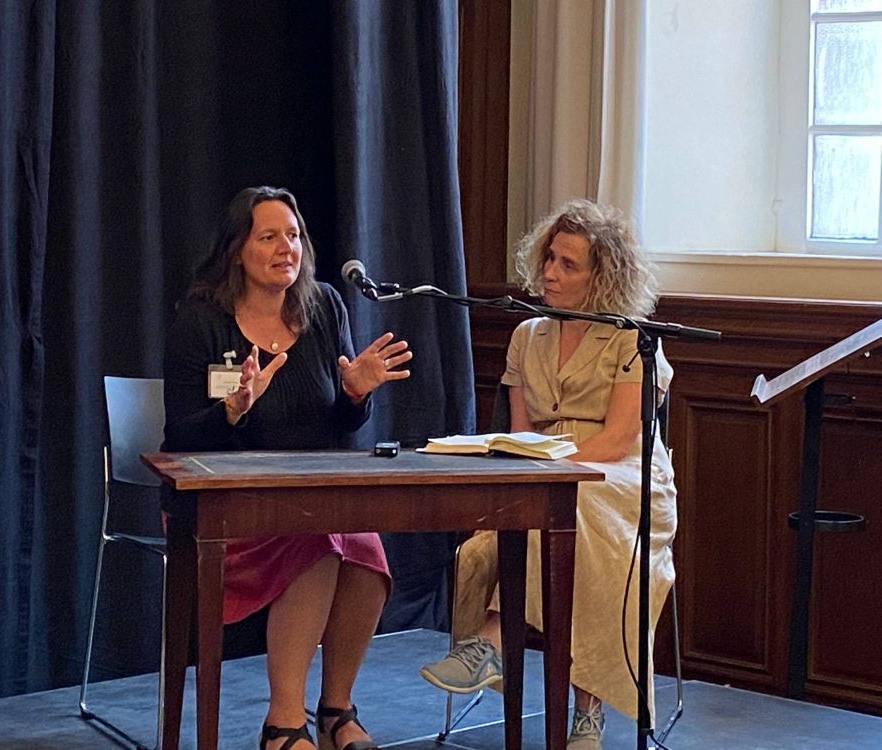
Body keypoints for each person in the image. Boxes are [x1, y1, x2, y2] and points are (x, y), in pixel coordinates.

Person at [418, 199, 676, 750]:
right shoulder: (527, 335)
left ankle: (507, 652)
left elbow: (619, 438)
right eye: (550, 259)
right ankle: (568, 702)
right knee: (547, 511)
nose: (551, 273)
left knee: (572, 514)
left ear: (601, 277)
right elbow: (521, 433)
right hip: (545, 466)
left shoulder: (632, 339)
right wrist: (534, 467)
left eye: (568, 264)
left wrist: (553, 468)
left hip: (621, 475)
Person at [163, 186, 412, 750]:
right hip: (225, 508)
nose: (286, 248)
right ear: (237, 250)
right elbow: (179, 438)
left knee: (366, 553)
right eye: (269, 236)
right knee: (316, 544)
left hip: (310, 496)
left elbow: (341, 425)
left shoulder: (324, 307)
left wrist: (355, 394)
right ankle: (282, 723)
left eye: (294, 236)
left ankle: (336, 710)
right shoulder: (200, 322)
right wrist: (232, 411)